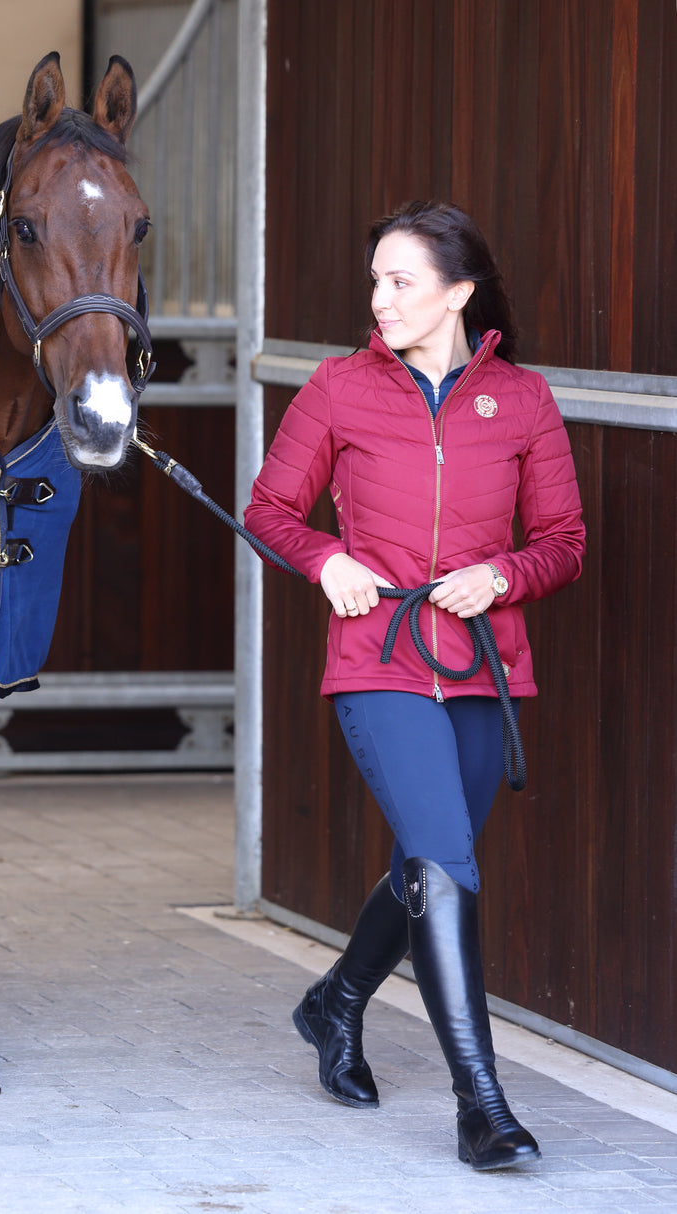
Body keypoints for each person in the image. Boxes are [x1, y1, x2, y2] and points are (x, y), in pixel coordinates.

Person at [244, 200, 585, 1170]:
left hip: (481, 665)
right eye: (374, 279)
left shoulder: (519, 399)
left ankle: (335, 999)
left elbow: (562, 542)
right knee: (442, 864)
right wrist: (323, 561)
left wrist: (500, 576)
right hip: (379, 655)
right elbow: (268, 508)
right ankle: (479, 1100)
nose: (378, 298)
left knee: (434, 864)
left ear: (457, 293)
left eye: (399, 281)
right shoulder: (338, 389)